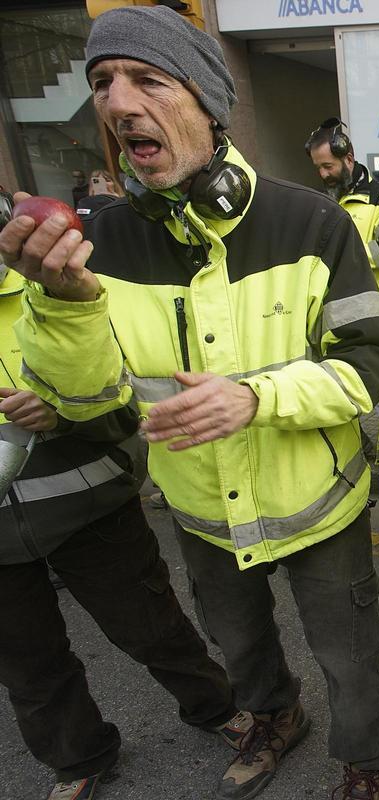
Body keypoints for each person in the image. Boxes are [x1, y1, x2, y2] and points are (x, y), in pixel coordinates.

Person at [0, 7, 379, 800]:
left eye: (148, 80)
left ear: (210, 104)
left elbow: (373, 362)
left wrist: (257, 398)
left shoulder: (312, 220)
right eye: (103, 84)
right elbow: (88, 404)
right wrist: (68, 308)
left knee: (349, 655)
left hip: (320, 504)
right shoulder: (101, 242)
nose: (118, 103)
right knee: (240, 645)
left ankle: (364, 760)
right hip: (199, 510)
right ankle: (273, 719)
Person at [0, 265, 245, 800]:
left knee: (152, 626)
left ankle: (217, 707)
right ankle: (77, 758)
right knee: (26, 662)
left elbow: (126, 405)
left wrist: (63, 411)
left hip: (89, 507)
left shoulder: (57, 290)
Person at [306, 117, 379, 310]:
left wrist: (339, 252)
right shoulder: (319, 201)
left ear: (349, 160)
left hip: (377, 311)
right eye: (318, 168)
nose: (323, 174)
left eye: (328, 166)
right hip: (335, 310)